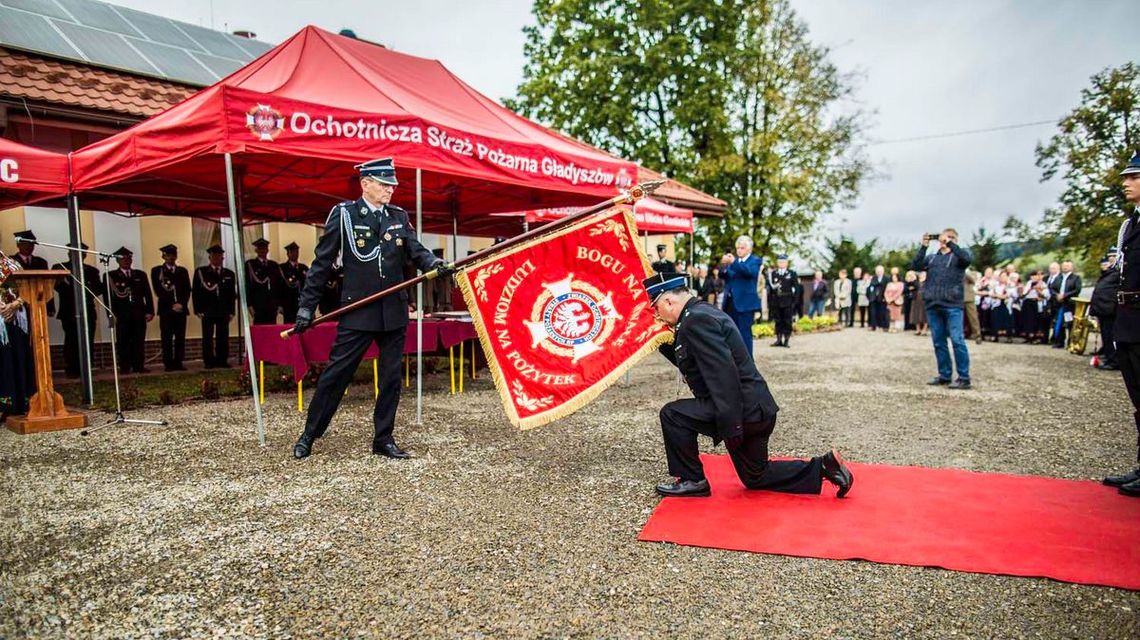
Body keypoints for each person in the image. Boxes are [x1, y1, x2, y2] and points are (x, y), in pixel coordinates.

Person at [290, 158, 447, 460]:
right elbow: (322, 264)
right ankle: (310, 434)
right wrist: (306, 307)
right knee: (336, 375)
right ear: (365, 184)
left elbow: (415, 250)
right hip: (358, 311)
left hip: (393, 312)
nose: (390, 189)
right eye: (384, 183)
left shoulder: (398, 216)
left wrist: (434, 264)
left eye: (392, 184)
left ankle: (383, 438)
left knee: (390, 379)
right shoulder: (345, 215)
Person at [647, 272, 853, 498]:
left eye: (656, 308)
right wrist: (657, 341)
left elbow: (723, 375)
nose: (656, 315)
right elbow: (691, 358)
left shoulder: (696, 320)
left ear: (669, 301)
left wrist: (733, 426)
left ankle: (692, 479)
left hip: (742, 412)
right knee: (756, 476)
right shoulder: (700, 312)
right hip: (756, 409)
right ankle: (824, 466)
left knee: (672, 414)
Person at [1106, 151, 1140, 496]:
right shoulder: (1130, 225)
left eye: (1133, 177)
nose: (1126, 183)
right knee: (1138, 398)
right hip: (1129, 318)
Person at [911, 228, 972, 389]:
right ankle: (945, 375)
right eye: (945, 237)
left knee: (957, 340)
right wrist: (923, 246)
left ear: (955, 240)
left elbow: (967, 259)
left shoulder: (959, 257)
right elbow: (915, 265)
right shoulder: (932, 258)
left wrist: (950, 243)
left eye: (952, 238)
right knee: (938, 342)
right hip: (933, 304)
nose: (947, 240)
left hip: (953, 305)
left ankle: (964, 377)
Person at [51, 243, 103, 378]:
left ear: (84, 255)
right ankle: (72, 369)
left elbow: (97, 289)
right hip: (68, 311)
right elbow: (56, 287)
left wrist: (84, 291)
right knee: (71, 341)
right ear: (69, 254)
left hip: (87, 311)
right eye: (73, 253)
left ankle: (87, 368)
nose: (78, 256)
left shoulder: (91, 271)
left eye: (81, 253)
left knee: (88, 340)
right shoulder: (60, 268)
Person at [103, 247, 154, 374]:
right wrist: (111, 315)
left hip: (138, 313)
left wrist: (150, 311)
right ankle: (124, 367)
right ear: (118, 261)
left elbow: (147, 294)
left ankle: (139, 366)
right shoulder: (110, 276)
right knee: (123, 341)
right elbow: (107, 297)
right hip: (121, 314)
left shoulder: (140, 275)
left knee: (139, 341)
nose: (127, 261)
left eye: (129, 258)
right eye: (123, 259)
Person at [0, 252, 34, 422]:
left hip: (15, 318)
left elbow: (26, 288)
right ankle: (3, 405)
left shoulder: (12, 264)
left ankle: (21, 402)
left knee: (18, 358)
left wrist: (14, 305)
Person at [192, 245, 237, 368]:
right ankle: (209, 361)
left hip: (223, 310)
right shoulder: (201, 272)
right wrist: (198, 309)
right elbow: (196, 292)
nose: (217, 259)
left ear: (222, 258)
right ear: (209, 258)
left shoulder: (229, 274)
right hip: (207, 310)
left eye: (219, 256)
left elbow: (232, 294)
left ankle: (222, 360)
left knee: (223, 337)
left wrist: (232, 311)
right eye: (214, 256)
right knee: (207, 337)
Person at [151, 244, 191, 372]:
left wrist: (182, 304)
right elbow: (158, 290)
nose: (171, 258)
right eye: (168, 255)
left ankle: (178, 362)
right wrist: (172, 305)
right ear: (163, 256)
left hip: (180, 309)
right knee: (166, 337)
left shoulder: (182, 271)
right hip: (166, 310)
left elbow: (187, 290)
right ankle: (168, 363)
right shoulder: (157, 271)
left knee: (180, 337)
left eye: (173, 255)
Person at [719, 236, 763, 355]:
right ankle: (734, 360)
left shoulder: (755, 261)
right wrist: (723, 266)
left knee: (745, 334)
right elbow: (724, 275)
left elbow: (749, 273)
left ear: (749, 249)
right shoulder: (734, 262)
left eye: (742, 248)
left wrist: (733, 262)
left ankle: (748, 363)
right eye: (737, 248)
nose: (739, 250)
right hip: (730, 302)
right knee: (730, 333)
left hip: (745, 304)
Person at [1090, 249, 1119, 370]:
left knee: (1110, 336)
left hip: (1110, 310)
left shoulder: (1117, 272)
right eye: (1109, 256)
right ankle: (1109, 358)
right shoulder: (1107, 273)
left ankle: (1114, 361)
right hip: (1102, 310)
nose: (1111, 258)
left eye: (1113, 255)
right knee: (1106, 336)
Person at [245, 238, 281, 325]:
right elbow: (247, 285)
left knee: (271, 330)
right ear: (256, 250)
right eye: (260, 248)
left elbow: (279, 286)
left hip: (272, 305)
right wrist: (249, 305)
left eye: (264, 248)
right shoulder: (250, 265)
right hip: (258, 304)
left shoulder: (274, 265)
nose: (262, 251)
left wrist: (279, 304)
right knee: (259, 330)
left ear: (267, 250)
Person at [1049, 260, 1082, 348]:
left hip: (1069, 305)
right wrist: (1056, 295)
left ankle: (1070, 342)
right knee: (1058, 323)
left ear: (1071, 267)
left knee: (1069, 323)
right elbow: (1052, 288)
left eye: (1067, 266)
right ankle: (1059, 342)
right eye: (1064, 266)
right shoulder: (1058, 277)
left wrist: (1064, 295)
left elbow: (1077, 290)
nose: (1065, 267)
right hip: (1059, 304)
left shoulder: (1076, 278)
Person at [766, 254, 797, 348]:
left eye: (783, 262)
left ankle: (786, 340)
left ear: (787, 263)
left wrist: (794, 301)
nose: (781, 263)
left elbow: (796, 288)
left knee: (787, 321)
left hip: (787, 301)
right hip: (776, 301)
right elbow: (771, 290)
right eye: (780, 262)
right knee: (778, 320)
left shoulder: (792, 273)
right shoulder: (774, 273)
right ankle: (779, 339)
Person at [278, 242, 308, 324]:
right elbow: (279, 288)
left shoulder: (304, 268)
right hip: (288, 304)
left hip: (302, 304)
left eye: (296, 252)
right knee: (289, 327)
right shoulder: (282, 268)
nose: (294, 254)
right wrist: (280, 304)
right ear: (288, 254)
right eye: (292, 252)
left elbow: (307, 286)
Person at [867, 265, 889, 331]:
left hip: (882, 298)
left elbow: (887, 289)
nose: (879, 272)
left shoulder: (886, 278)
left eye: (880, 271)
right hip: (874, 298)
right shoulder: (873, 278)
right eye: (877, 271)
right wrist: (870, 297)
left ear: (883, 271)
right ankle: (873, 326)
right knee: (873, 313)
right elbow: (869, 288)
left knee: (883, 313)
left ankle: (884, 326)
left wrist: (885, 297)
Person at [963, 268, 981, 343]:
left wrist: (964, 272)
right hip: (956, 297)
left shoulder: (970, 272)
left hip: (968, 297)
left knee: (973, 317)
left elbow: (973, 281)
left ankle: (977, 335)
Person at [910, 271, 928, 335]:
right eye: (921, 274)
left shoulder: (927, 282)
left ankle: (924, 329)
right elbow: (913, 287)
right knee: (916, 314)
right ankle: (917, 329)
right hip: (916, 299)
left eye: (924, 274)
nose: (922, 275)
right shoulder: (916, 282)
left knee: (924, 314)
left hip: (924, 299)